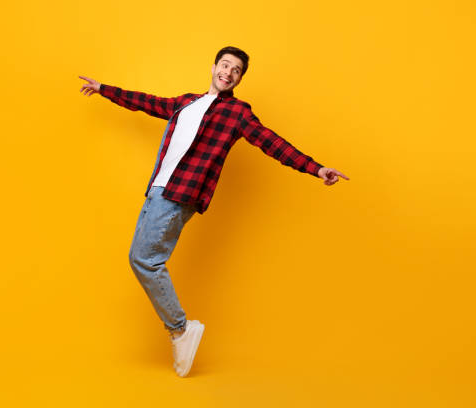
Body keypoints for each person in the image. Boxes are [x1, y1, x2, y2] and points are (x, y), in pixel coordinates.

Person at [78, 46, 349, 377]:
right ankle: (180, 329)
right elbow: (147, 102)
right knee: (142, 259)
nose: (228, 72)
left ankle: (180, 328)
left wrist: (315, 168)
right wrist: (105, 90)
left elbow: (271, 142)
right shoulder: (186, 102)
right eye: (225, 65)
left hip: (182, 192)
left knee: (145, 260)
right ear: (213, 67)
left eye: (236, 71)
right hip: (157, 188)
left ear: (238, 79)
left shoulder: (238, 114)